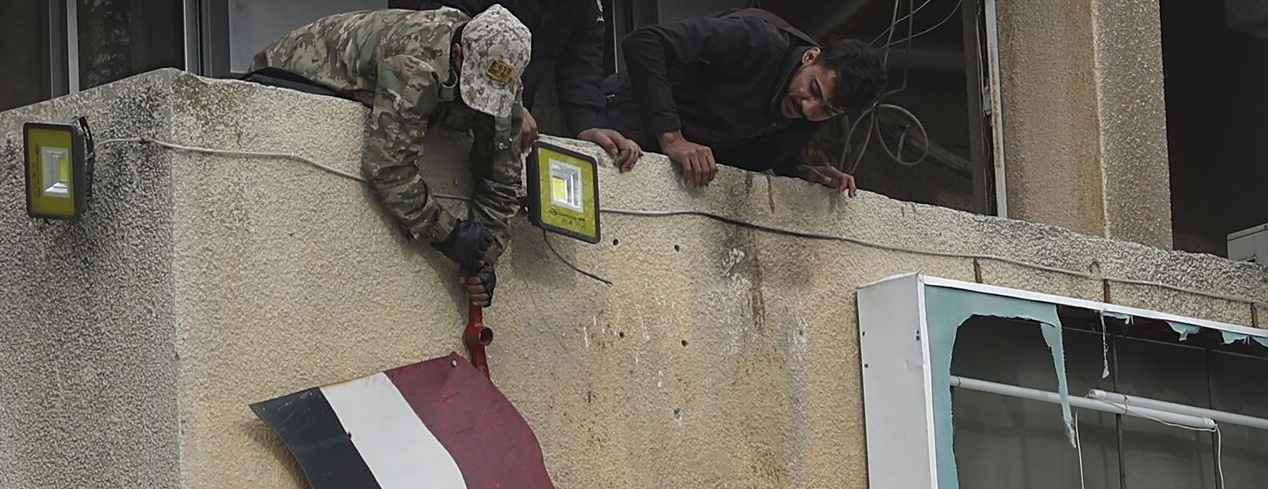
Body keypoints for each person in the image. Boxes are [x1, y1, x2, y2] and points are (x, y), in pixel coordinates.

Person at [251, 6, 533, 307]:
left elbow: (501, 183)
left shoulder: (502, 76)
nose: (483, 102)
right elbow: (387, 168)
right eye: (477, 89)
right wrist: (449, 234)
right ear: (458, 53)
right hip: (292, 69)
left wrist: (484, 258)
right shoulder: (415, 64)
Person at [593, 10, 885, 193]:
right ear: (811, 56)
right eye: (814, 90)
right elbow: (644, 42)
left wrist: (802, 170)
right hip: (613, 128)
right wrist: (673, 138)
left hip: (657, 177)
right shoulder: (755, 39)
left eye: (827, 110)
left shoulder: (806, 109)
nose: (809, 108)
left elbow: (764, 143)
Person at [416, 0, 645, 171]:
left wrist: (589, 125)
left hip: (506, 123)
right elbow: (443, 27)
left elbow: (582, 65)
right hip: (430, 105)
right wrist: (507, 99)